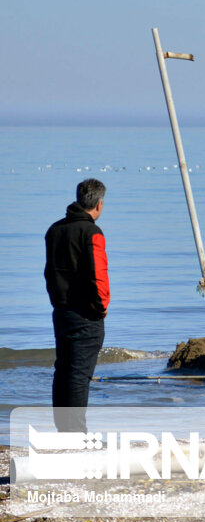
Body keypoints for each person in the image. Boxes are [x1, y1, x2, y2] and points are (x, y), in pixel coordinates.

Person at [44, 178, 110, 433]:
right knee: (79, 376)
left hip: (61, 311)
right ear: (99, 204)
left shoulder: (54, 230)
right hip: (86, 314)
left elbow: (49, 272)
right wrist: (102, 305)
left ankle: (64, 432)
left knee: (63, 371)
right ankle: (76, 437)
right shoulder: (92, 232)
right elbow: (99, 273)